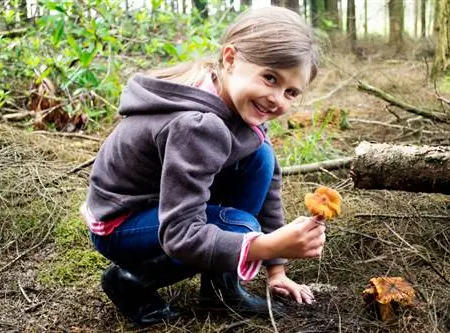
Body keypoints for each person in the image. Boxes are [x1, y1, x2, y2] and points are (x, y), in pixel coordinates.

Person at [81, 6, 326, 326]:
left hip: (163, 203)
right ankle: (131, 280)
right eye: (270, 77)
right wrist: (263, 245)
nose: (277, 99)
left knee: (260, 156)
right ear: (230, 58)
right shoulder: (197, 125)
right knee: (240, 228)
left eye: (290, 92)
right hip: (122, 223)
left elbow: (270, 183)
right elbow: (181, 233)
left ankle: (222, 287)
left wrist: (276, 269)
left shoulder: (237, 103)